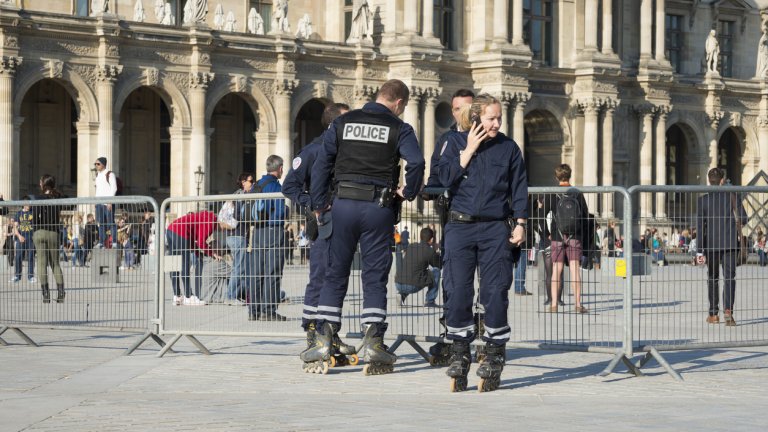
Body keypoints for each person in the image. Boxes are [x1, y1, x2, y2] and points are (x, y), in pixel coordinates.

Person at [304, 79, 425, 375]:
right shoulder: (400, 128)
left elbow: (322, 163)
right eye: (404, 107)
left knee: (335, 274)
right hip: (378, 207)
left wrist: (319, 202)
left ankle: (323, 339)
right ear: (398, 103)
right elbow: (417, 162)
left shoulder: (343, 122)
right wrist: (407, 193)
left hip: (342, 204)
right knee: (374, 276)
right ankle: (373, 342)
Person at [437, 93, 528, 392]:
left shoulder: (508, 147)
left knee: (494, 292)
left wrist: (521, 223)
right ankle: (460, 353)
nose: (497, 123)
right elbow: (444, 178)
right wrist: (470, 148)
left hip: (494, 229)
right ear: (476, 118)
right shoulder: (453, 142)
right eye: (491, 118)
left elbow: (518, 187)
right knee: (458, 292)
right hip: (460, 227)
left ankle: (494, 353)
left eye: (499, 118)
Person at [282, 103, 357, 369]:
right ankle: (313, 332)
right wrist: (314, 203)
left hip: (346, 222)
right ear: (334, 123)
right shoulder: (313, 150)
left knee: (338, 278)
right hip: (324, 223)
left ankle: (331, 332)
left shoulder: (348, 151)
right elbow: (289, 186)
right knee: (320, 277)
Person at [696, 167, 748, 326]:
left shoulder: (703, 200)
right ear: (722, 181)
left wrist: (699, 250)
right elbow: (744, 219)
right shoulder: (732, 196)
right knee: (729, 278)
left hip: (711, 246)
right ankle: (728, 311)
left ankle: (713, 314)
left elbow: (700, 227)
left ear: (708, 181)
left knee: (712, 278)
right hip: (731, 244)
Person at [247, 155, 288, 321]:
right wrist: (286, 211)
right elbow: (278, 212)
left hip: (257, 231)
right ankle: (269, 311)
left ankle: (254, 311)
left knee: (257, 272)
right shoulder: (275, 186)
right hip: (273, 230)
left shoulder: (257, 185)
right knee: (273, 272)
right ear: (279, 169)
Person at [548, 164, 589, 314]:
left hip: (557, 235)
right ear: (570, 175)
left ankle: (553, 304)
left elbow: (542, 214)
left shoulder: (552, 193)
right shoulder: (577, 193)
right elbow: (585, 216)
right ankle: (578, 304)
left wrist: (547, 232)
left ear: (556, 176)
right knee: (574, 270)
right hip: (575, 235)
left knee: (556, 271)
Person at [166, 210, 217, 306]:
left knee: (172, 263)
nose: (223, 230)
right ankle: (188, 296)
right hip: (180, 231)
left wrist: (198, 253)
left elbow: (194, 240)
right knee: (184, 263)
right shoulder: (211, 222)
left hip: (170, 229)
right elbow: (201, 242)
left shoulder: (202, 217)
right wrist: (212, 253)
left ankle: (176, 295)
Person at [30, 175, 68, 303]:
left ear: (44, 184)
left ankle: (46, 294)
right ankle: (61, 292)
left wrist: (35, 231)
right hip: (53, 232)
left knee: (41, 263)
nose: (39, 183)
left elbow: (35, 217)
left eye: (40, 182)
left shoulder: (38, 198)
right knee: (55, 264)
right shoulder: (57, 197)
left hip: (40, 231)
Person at [395, 227, 442, 307]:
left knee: (413, 271)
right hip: (412, 285)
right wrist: (436, 251)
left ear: (420, 237)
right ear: (431, 239)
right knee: (436, 271)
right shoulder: (429, 251)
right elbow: (439, 265)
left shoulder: (411, 246)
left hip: (398, 283)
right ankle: (430, 301)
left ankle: (402, 295)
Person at [93, 157, 118, 248]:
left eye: (98, 164)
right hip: (99, 203)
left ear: (103, 164)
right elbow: (97, 189)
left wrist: (110, 201)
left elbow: (114, 188)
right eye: (95, 164)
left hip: (107, 202)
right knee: (101, 223)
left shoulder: (110, 174)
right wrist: (95, 202)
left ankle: (114, 241)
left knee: (111, 222)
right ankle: (101, 242)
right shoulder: (97, 175)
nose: (96, 165)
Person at [11, 203, 36, 282]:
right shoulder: (18, 213)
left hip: (31, 238)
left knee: (31, 257)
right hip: (21, 237)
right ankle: (17, 276)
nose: (29, 205)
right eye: (28, 204)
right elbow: (15, 227)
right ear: (24, 204)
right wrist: (19, 236)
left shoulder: (33, 213)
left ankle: (31, 276)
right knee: (18, 257)